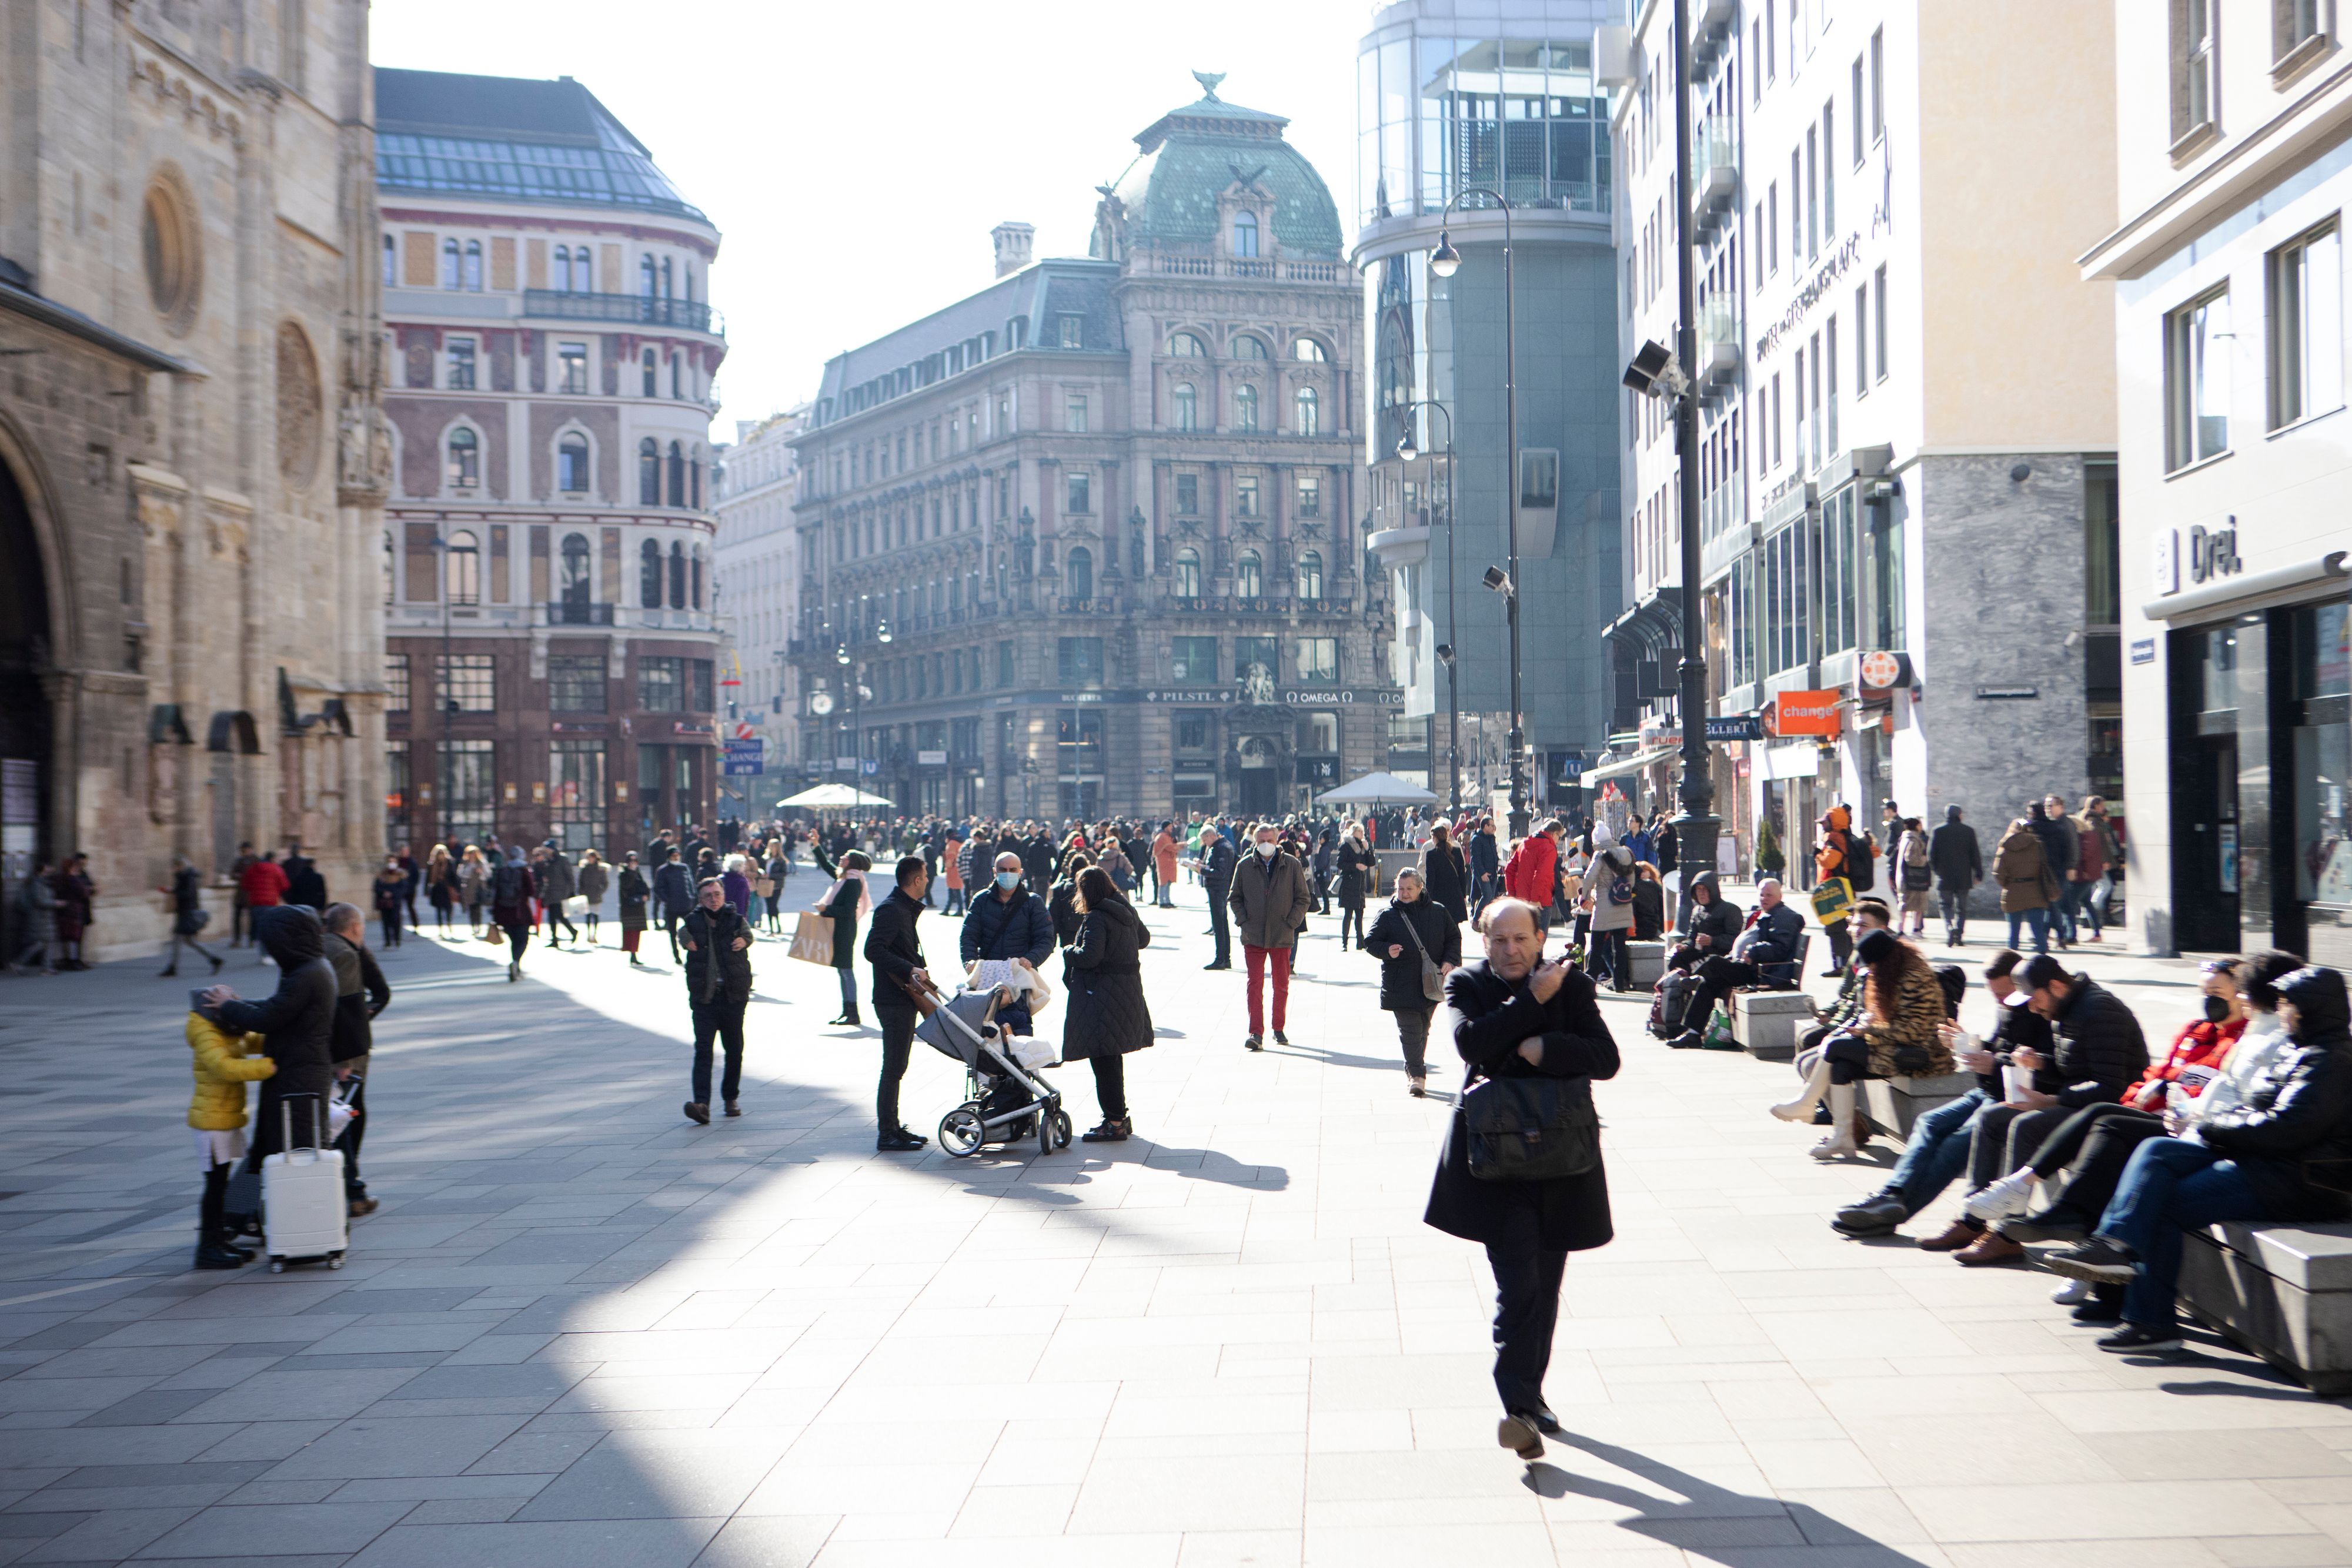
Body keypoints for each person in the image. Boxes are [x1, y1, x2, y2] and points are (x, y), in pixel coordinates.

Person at [2045, 965, 2352, 1355]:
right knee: (2157, 1150)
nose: (2282, 1010)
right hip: (2268, 1162)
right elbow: (2262, 1113)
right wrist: (2216, 1122)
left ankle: (2149, 1318)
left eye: (2287, 1003)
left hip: (2301, 1182)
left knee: (2162, 1204)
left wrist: (2213, 1125)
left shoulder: (2329, 1060)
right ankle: (2114, 1245)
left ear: (2311, 1008)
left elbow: (2284, 1128)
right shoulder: (2304, 1049)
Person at [1423, 897, 1620, 1462]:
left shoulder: (1574, 986)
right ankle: (1518, 1410)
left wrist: (1542, 1047)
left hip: (1562, 1158)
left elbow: (1605, 1058)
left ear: (1540, 937)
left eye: (1521, 939)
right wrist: (1532, 1002)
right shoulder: (1466, 983)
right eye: (1498, 940)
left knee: (1546, 1282)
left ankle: (1532, 1394)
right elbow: (1469, 1044)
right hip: (1496, 1160)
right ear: (1483, 941)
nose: (1510, 950)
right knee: (1519, 1284)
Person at [1905, 951, 2150, 1261]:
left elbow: (2109, 1087)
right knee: (1992, 1118)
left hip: (2109, 1112)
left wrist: (2050, 1100)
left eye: (2034, 1000)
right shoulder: (2065, 1008)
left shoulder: (2101, 1012)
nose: (2033, 1008)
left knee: (2026, 1126)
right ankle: (1973, 1219)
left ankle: (2008, 1233)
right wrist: (2040, 1063)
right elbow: (2071, 1069)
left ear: (2056, 987)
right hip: (2080, 1100)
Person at [1832, 949, 2056, 1238]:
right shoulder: (2011, 1004)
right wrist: (1966, 1043)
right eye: (1995, 995)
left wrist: (1995, 1061)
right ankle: (1891, 1196)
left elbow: (2045, 1064)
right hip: (1989, 1089)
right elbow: (2002, 1047)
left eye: (2005, 993)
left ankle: (1895, 1212)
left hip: (2019, 1097)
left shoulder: (2042, 1009)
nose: (2001, 1001)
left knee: (1956, 1143)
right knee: (1929, 1122)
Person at [1772, 927, 1952, 1160]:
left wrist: (1869, 1030)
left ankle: (1807, 1102)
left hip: (1921, 1053)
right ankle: (1844, 1139)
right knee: (1840, 1067)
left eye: (1873, 965)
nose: (1871, 970)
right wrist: (1865, 1024)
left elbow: (1917, 1031)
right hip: (1894, 1045)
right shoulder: (1890, 972)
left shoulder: (1915, 978)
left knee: (1836, 1047)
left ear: (1884, 960)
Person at [203, 905, 336, 1183]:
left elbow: (268, 1018)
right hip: (298, 1071)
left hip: (300, 1078)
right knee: (286, 1146)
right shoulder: (308, 967)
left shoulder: (306, 973)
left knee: (296, 1150)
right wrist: (238, 1004)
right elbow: (280, 1007)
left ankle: (299, 1213)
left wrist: (228, 1007)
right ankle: (268, 1213)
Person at [1662, 878, 1808, 1048]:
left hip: (1763, 972)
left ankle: (1697, 977)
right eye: (1762, 894)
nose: (1764, 898)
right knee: (1710, 984)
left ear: (1780, 895)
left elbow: (1780, 948)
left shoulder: (1786, 917)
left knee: (1715, 962)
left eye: (1769, 895)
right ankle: (1693, 1034)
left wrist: (1754, 952)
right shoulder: (1764, 912)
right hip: (1748, 966)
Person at [1064, 864, 1152, 1142]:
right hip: (1124, 993)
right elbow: (1144, 939)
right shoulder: (1124, 910)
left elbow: (1089, 957)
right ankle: (1119, 1117)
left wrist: (1068, 951)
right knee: (1112, 1059)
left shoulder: (1097, 918)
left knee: (1103, 1061)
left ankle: (1114, 1122)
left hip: (1101, 997)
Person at [186, 999, 276, 1268]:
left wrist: (282, 1035)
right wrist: (269, 1068)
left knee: (220, 1185)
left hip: (225, 1119)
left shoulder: (226, 1028)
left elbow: (253, 1041)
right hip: (211, 1122)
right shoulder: (205, 1032)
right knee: (214, 1186)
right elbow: (225, 1067)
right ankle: (207, 1248)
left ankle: (218, 1241)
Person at [1362, 866, 1462, 1096]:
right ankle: (1417, 1075)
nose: (1404, 893)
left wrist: (1450, 961)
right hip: (1401, 983)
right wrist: (1387, 950)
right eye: (1400, 889)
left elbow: (1453, 937)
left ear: (1420, 889)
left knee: (1423, 1030)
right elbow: (1370, 942)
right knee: (1410, 1031)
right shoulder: (1388, 915)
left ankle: (1413, 1067)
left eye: (1409, 889)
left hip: (1431, 983)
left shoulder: (1438, 912)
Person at [320, 904, 389, 1217]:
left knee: (346, 1114)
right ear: (355, 927)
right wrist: (346, 1058)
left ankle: (349, 1185)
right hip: (346, 1054)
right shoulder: (345, 954)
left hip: (333, 1047)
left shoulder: (330, 946)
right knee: (348, 1115)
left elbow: (378, 993)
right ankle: (352, 1188)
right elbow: (346, 1007)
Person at [863, 855, 933, 1152]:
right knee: (893, 1067)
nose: (928, 880)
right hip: (893, 1000)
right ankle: (886, 1133)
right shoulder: (892, 910)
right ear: (916, 880)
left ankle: (893, 1127)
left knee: (898, 1066)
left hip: (903, 997)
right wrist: (909, 968)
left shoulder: (903, 909)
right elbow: (872, 950)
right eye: (926, 875)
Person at [1228, 822, 1311, 1052]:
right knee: (1254, 984)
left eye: (1270, 840)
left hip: (1281, 934)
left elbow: (1303, 898)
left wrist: (1291, 923)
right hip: (1253, 935)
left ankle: (1278, 1027)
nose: (1266, 845)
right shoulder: (1245, 865)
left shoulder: (1291, 864)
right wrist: (1244, 921)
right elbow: (1234, 897)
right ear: (1255, 842)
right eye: (1261, 841)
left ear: (1277, 840)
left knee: (1281, 984)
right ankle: (1256, 1031)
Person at [680, 876, 754, 1125]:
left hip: (733, 997)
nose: (714, 899)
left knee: (734, 1051)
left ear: (724, 896)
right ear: (701, 900)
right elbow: (681, 932)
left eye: (718, 894)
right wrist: (683, 938)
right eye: (709, 896)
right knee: (703, 1051)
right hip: (705, 999)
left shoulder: (735, 920)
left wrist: (745, 940)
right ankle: (701, 1104)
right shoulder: (692, 922)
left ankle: (731, 1098)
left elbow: (748, 935)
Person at [962, 850, 1057, 1039]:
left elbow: (1046, 939)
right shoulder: (981, 900)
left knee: (1019, 1032)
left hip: (1020, 979)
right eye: (1003, 870)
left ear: (1020, 872)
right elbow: (969, 936)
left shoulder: (1033, 902)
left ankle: (1021, 1068)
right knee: (986, 1032)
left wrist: (1031, 959)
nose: (1008, 874)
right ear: (994, 872)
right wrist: (970, 961)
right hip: (987, 979)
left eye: (1013, 870)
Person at [814, 847, 873, 1027]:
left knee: (846, 970)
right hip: (838, 928)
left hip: (845, 930)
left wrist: (826, 909)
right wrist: (816, 845)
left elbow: (848, 910)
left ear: (852, 863)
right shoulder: (844, 877)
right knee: (841, 970)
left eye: (845, 857)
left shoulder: (853, 881)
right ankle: (846, 1011)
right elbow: (826, 865)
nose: (841, 858)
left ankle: (853, 1012)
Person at [1582, 824, 1639, 994]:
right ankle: (1619, 984)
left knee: (1597, 947)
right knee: (1619, 947)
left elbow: (1589, 878)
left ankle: (1589, 984)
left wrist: (1584, 896)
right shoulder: (1626, 852)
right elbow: (1633, 882)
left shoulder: (1600, 855)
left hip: (1605, 907)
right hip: (1623, 904)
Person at [1994, 815, 2059, 955]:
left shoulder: (2005, 846)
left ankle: (2010, 962)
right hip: (2035, 889)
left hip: (2013, 890)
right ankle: (2043, 960)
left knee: (2014, 931)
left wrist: (2007, 884)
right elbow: (2044, 867)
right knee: (2038, 929)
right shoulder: (2037, 845)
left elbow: (1998, 873)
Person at [1663, 871, 1742, 974]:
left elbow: (1735, 941)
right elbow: (1692, 938)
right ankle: (1680, 986)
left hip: (1720, 957)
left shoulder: (1730, 909)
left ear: (1713, 890)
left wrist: (1713, 940)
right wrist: (1684, 946)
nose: (1701, 893)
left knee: (1707, 965)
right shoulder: (1697, 910)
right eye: (1698, 889)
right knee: (1677, 959)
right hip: (1700, 954)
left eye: (1705, 889)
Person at [159, 853, 223, 977]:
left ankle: (173, 967)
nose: (173, 869)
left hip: (187, 913)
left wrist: (173, 891)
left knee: (179, 939)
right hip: (185, 912)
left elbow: (188, 895)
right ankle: (214, 959)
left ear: (180, 866)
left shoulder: (187, 877)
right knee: (189, 941)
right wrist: (173, 890)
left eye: (175, 866)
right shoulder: (186, 876)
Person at [2029, 797, 2080, 947]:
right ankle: (2059, 936)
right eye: (2045, 806)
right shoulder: (2054, 825)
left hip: (2051, 871)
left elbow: (2073, 846)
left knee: (2054, 904)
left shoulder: (2058, 824)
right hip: (2057, 870)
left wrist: (2072, 866)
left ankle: (2050, 936)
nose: (2048, 808)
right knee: (2056, 904)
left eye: (2050, 805)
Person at [1929, 805, 1983, 948]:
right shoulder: (1968, 831)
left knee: (1945, 905)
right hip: (1963, 876)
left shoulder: (1937, 831)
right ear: (1960, 815)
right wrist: (1978, 873)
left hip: (1944, 876)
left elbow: (1931, 855)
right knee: (1961, 908)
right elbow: (1975, 854)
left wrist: (1936, 870)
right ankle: (1959, 934)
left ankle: (1949, 928)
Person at [1815, 807, 1860, 974]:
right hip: (1842, 891)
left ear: (1834, 822)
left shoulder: (1836, 840)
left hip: (1837, 893)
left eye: (1825, 822)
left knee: (1836, 929)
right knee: (1842, 929)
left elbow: (1829, 863)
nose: (1822, 826)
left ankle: (1841, 966)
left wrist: (1818, 855)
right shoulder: (1843, 838)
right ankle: (1846, 964)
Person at [1501, 820, 1562, 931]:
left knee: (1523, 942)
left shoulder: (1523, 844)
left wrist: (1513, 895)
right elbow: (1541, 875)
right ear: (1553, 834)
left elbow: (1509, 869)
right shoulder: (1549, 848)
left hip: (1521, 900)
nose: (1558, 841)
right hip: (1540, 902)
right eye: (1559, 837)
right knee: (1537, 943)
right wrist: (1535, 899)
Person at [490, 847, 536, 981]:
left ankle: (517, 967)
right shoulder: (524, 871)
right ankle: (515, 963)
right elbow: (531, 891)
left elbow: (496, 891)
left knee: (514, 941)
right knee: (523, 941)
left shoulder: (502, 871)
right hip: (521, 912)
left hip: (504, 912)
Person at [1200, 824, 1238, 969]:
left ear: (1210, 836)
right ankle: (1224, 958)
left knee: (1219, 926)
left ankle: (1221, 958)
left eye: (1205, 840)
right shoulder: (1222, 845)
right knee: (1221, 924)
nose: (1205, 843)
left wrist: (1202, 870)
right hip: (1219, 889)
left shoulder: (1220, 847)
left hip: (1218, 890)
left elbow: (1220, 872)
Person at [1334, 823, 1377, 948]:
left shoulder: (1363, 846)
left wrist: (1368, 849)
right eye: (1360, 832)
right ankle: (1345, 942)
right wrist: (1355, 866)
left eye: (1363, 832)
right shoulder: (1346, 845)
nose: (1362, 834)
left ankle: (1360, 942)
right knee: (1348, 915)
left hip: (1359, 885)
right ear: (1353, 832)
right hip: (1349, 883)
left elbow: (1371, 862)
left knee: (1359, 915)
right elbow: (1340, 863)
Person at [1421, 820, 1468, 926]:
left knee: (1440, 925)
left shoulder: (1432, 855)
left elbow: (1431, 879)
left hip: (1439, 896)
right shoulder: (1456, 851)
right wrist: (1463, 895)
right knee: (1454, 926)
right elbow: (1462, 875)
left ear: (1435, 838)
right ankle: (1455, 943)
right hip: (1455, 895)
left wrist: (1428, 897)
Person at [1893, 817, 1933, 939]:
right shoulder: (1913, 839)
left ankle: (1908, 929)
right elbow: (1911, 859)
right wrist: (1924, 859)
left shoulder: (1906, 838)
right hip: (1913, 878)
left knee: (1909, 904)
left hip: (1906, 877)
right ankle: (1907, 930)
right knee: (1911, 904)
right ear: (1916, 826)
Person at [654, 845, 694, 963]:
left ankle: (690, 951)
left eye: (678, 856)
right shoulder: (663, 870)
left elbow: (691, 883)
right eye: (674, 856)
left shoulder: (684, 867)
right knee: (672, 932)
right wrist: (667, 900)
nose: (676, 858)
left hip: (687, 904)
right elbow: (658, 888)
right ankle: (676, 955)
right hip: (672, 906)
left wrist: (692, 897)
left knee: (692, 929)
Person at [536, 843, 578, 948]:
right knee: (551, 917)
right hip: (550, 893)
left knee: (559, 915)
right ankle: (554, 939)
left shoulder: (562, 859)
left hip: (560, 892)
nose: (546, 851)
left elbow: (570, 876)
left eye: (548, 849)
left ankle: (573, 931)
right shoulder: (547, 861)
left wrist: (572, 891)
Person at [617, 852, 651, 966]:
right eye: (631, 861)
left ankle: (634, 954)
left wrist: (646, 895)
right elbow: (627, 886)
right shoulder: (624, 873)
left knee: (637, 932)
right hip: (629, 908)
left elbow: (644, 886)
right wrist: (631, 872)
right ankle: (632, 954)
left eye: (635, 861)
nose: (633, 863)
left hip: (638, 907)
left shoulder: (638, 873)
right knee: (630, 932)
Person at [371, 857, 407, 949]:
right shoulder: (381, 875)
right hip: (384, 902)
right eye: (390, 862)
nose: (392, 864)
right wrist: (384, 893)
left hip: (395, 902)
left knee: (396, 920)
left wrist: (393, 894)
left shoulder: (400, 874)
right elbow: (376, 887)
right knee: (385, 921)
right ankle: (387, 941)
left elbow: (403, 888)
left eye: (393, 862)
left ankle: (397, 939)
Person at [228, 841, 259, 948]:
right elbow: (232, 874)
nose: (243, 853)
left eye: (244, 851)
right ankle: (237, 940)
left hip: (252, 893)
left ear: (250, 850)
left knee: (252, 918)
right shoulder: (239, 861)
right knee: (237, 917)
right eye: (242, 851)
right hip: (241, 893)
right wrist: (239, 876)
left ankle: (252, 940)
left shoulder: (256, 861)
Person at [576, 850, 609, 946]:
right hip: (586, 895)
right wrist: (581, 892)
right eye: (589, 858)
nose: (590, 859)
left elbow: (605, 883)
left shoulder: (600, 869)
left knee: (595, 915)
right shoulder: (584, 869)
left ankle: (594, 934)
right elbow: (580, 881)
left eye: (592, 857)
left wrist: (600, 891)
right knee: (588, 916)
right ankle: (588, 934)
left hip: (596, 895)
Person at [457, 845, 489, 935]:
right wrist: (470, 872)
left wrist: (481, 872)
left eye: (474, 854)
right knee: (471, 909)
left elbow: (488, 874)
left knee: (478, 909)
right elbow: (460, 874)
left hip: (479, 888)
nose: (472, 856)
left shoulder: (482, 863)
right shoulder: (465, 863)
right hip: (469, 889)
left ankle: (478, 926)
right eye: (470, 854)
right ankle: (472, 926)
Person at [425, 845, 457, 935]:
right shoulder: (432, 864)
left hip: (447, 888)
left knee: (449, 908)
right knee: (438, 909)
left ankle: (449, 923)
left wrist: (456, 888)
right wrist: (426, 891)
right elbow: (428, 878)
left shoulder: (450, 863)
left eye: (442, 853)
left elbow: (454, 876)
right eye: (439, 854)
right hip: (437, 888)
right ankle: (440, 928)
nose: (440, 856)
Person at [1151, 822, 1180, 908]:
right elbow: (1169, 847)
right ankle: (1162, 901)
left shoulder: (1168, 836)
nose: (1172, 828)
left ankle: (1167, 901)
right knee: (1163, 883)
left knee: (1168, 883)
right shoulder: (1162, 837)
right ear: (1166, 827)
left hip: (1169, 863)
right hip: (1164, 863)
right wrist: (1180, 846)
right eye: (1170, 826)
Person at [941, 828, 967, 916]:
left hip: (953, 869)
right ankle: (947, 909)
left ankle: (959, 910)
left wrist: (947, 866)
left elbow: (951, 857)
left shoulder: (951, 843)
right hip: (958, 868)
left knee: (955, 890)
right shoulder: (959, 842)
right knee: (953, 890)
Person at [721, 853, 754, 920]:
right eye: (743, 865)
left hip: (720, 914)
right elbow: (741, 901)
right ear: (738, 866)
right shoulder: (741, 882)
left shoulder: (720, 879)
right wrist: (741, 918)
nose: (745, 867)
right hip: (735, 915)